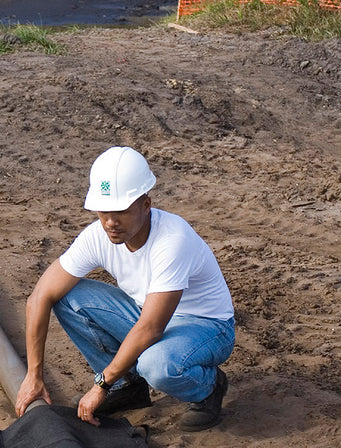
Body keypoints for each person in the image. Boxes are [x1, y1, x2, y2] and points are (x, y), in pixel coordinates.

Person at [14, 146, 235, 428]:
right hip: (146, 312)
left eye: (121, 211)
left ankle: (210, 387)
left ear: (146, 205)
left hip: (206, 326)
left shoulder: (173, 241)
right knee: (67, 295)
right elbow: (39, 297)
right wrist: (33, 376)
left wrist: (101, 385)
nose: (110, 222)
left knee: (156, 365)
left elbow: (151, 328)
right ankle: (127, 387)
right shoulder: (98, 236)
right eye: (103, 211)